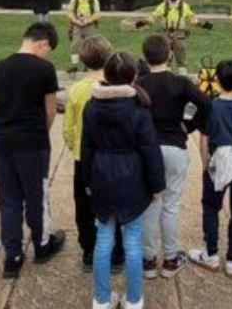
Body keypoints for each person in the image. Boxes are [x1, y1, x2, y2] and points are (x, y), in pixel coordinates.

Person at [82, 51, 166, 309]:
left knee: (104, 238)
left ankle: (103, 299)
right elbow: (150, 149)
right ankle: (133, 299)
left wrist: (88, 180)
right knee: (132, 240)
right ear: (134, 76)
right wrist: (157, 185)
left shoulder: (91, 105)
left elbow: (86, 148)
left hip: (102, 175)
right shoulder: (138, 108)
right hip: (132, 177)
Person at [0, 21, 66, 278]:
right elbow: (50, 109)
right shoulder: (44, 68)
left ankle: (13, 256)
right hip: (32, 142)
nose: (47, 54)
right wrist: (40, 132)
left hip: (3, 140)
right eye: (48, 49)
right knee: (36, 195)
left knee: (8, 200)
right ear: (43, 43)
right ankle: (42, 244)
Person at [136, 34, 210, 279]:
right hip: (174, 146)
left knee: (149, 203)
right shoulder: (180, 82)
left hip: (146, 148)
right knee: (170, 205)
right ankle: (169, 258)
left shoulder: (138, 83)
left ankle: (148, 260)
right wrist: (188, 126)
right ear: (169, 54)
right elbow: (206, 104)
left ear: (145, 56)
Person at [187, 60, 232, 277]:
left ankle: (211, 253)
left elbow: (204, 138)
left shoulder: (209, 106)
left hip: (218, 159)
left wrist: (205, 164)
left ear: (216, 79)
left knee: (211, 207)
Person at [63, 35, 117, 270]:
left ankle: (89, 250)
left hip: (83, 158)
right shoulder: (117, 86)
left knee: (84, 206)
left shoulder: (77, 90)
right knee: (115, 204)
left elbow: (68, 128)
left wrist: (75, 146)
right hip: (113, 155)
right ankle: (116, 253)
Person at [149, 0, 211, 75]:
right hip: (165, 35)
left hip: (180, 35)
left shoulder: (184, 6)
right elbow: (152, 18)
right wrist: (138, 24)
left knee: (182, 60)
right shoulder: (162, 6)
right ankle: (166, 78)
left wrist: (207, 25)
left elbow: (193, 19)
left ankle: (183, 78)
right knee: (165, 59)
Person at [68, 0, 101, 73]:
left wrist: (88, 20)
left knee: (90, 46)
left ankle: (88, 65)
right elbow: (70, 12)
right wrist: (75, 21)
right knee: (75, 45)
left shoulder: (93, 0)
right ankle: (74, 65)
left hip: (89, 25)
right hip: (77, 24)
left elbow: (97, 13)